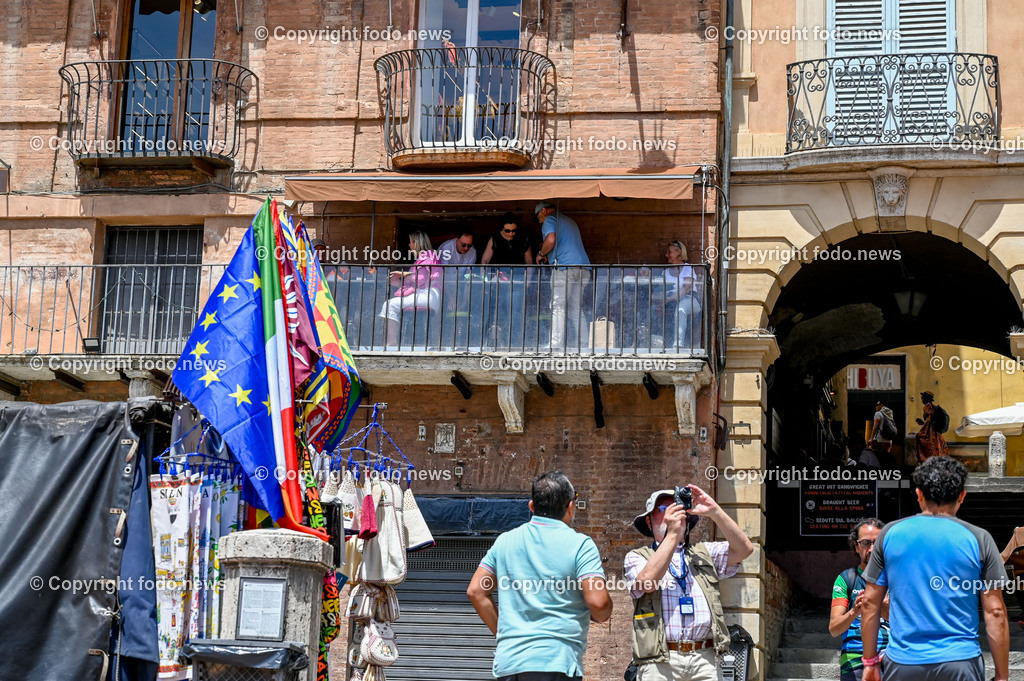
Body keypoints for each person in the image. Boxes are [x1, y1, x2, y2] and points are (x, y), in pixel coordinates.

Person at [860, 456, 1010, 681]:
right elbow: (995, 611)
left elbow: (870, 603)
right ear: (962, 496)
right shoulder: (980, 538)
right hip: (961, 663)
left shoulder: (889, 534)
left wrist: (870, 662)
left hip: (904, 663)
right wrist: (1002, 676)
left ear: (919, 494)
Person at [467, 471, 612, 681]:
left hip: (510, 663)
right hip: (555, 662)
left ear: (532, 506)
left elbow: (476, 591)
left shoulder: (504, 541)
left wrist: (506, 637)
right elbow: (599, 605)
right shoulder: (581, 545)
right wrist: (606, 610)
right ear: (571, 507)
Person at [624, 485, 754, 681]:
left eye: (678, 507)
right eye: (664, 508)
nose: (673, 513)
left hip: (705, 658)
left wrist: (715, 511)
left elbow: (744, 549)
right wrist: (672, 534)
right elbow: (647, 583)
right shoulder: (637, 557)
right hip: (660, 661)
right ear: (649, 521)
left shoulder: (703, 553)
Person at [829, 519, 890, 681]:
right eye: (865, 543)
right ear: (856, 547)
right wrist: (854, 611)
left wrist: (884, 609)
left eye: (877, 543)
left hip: (892, 659)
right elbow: (834, 629)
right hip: (855, 662)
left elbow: (912, 625)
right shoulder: (846, 579)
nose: (872, 549)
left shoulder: (897, 579)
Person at [535, 201, 591, 351]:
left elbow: (551, 240)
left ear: (544, 211)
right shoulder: (569, 221)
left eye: (538, 217)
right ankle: (584, 345)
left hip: (565, 267)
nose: (539, 221)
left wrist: (541, 253)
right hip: (584, 267)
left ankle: (555, 345)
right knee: (576, 308)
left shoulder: (550, 219)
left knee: (558, 306)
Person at [378, 231, 441, 346]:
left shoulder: (427, 256)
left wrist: (401, 274)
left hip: (427, 295)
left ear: (417, 243)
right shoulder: (428, 256)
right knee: (391, 305)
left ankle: (391, 342)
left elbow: (420, 279)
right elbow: (416, 282)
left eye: (411, 242)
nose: (409, 245)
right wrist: (397, 283)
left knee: (389, 305)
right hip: (426, 295)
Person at [663, 241, 702, 352]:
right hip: (670, 300)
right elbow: (661, 290)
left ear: (678, 252)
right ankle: (650, 342)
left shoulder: (687, 268)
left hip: (690, 299)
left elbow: (686, 289)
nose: (666, 255)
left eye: (669, 252)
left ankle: (678, 345)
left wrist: (668, 299)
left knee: (681, 309)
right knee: (650, 310)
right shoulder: (665, 272)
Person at [914, 391, 949, 462]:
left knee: (923, 441)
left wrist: (923, 428)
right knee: (937, 447)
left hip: (931, 432)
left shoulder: (928, 407)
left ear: (926, 399)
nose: (921, 399)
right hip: (936, 432)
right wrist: (923, 423)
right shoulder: (933, 406)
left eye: (922, 398)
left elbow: (929, 421)